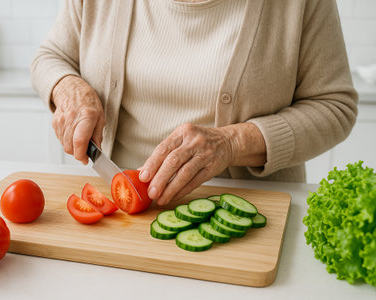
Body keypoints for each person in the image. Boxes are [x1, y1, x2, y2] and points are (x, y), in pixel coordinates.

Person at [31, 0, 358, 206]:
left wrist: (232, 142)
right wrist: (70, 88)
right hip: (119, 209)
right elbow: (51, 56)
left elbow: (334, 105)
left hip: (247, 214)